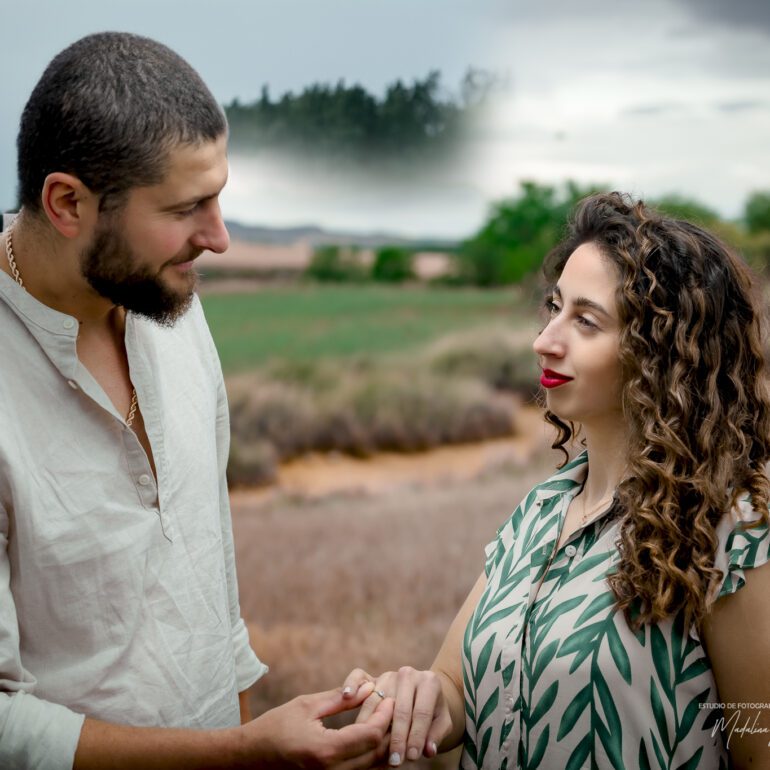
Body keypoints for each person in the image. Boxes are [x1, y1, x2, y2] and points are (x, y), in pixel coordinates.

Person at [0, 31, 393, 769]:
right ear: (67, 203)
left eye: (219, 197)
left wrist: (244, 745)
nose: (218, 237)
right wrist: (241, 751)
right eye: (187, 208)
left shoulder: (169, 302)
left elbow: (211, 580)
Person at [343, 192, 770, 769]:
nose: (545, 340)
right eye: (554, 307)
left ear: (664, 353)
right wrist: (416, 698)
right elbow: (456, 686)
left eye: (586, 321)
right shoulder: (541, 510)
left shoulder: (730, 528)